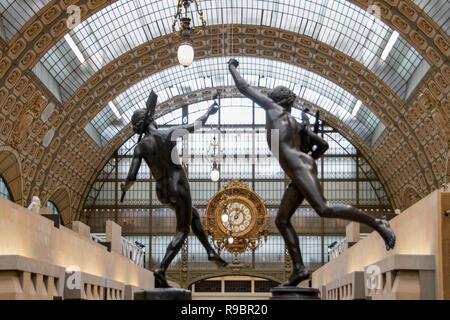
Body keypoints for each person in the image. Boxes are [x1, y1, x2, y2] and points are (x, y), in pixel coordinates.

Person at [228, 58, 395, 287]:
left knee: (324, 209)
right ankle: (299, 269)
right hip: (298, 169)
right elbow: (323, 145)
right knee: (281, 220)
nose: (267, 97)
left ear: (276, 100)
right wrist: (308, 161)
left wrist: (232, 67)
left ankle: (378, 224)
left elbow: (244, 88)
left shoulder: (273, 110)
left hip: (298, 167)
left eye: (271, 95)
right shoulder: (295, 124)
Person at [121, 96, 227, 288]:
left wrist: (125, 187)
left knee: (193, 214)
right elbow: (195, 126)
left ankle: (210, 250)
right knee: (183, 230)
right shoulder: (166, 134)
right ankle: (161, 270)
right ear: (151, 119)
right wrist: (208, 113)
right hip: (178, 185)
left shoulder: (140, 147)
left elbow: (131, 177)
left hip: (161, 190)